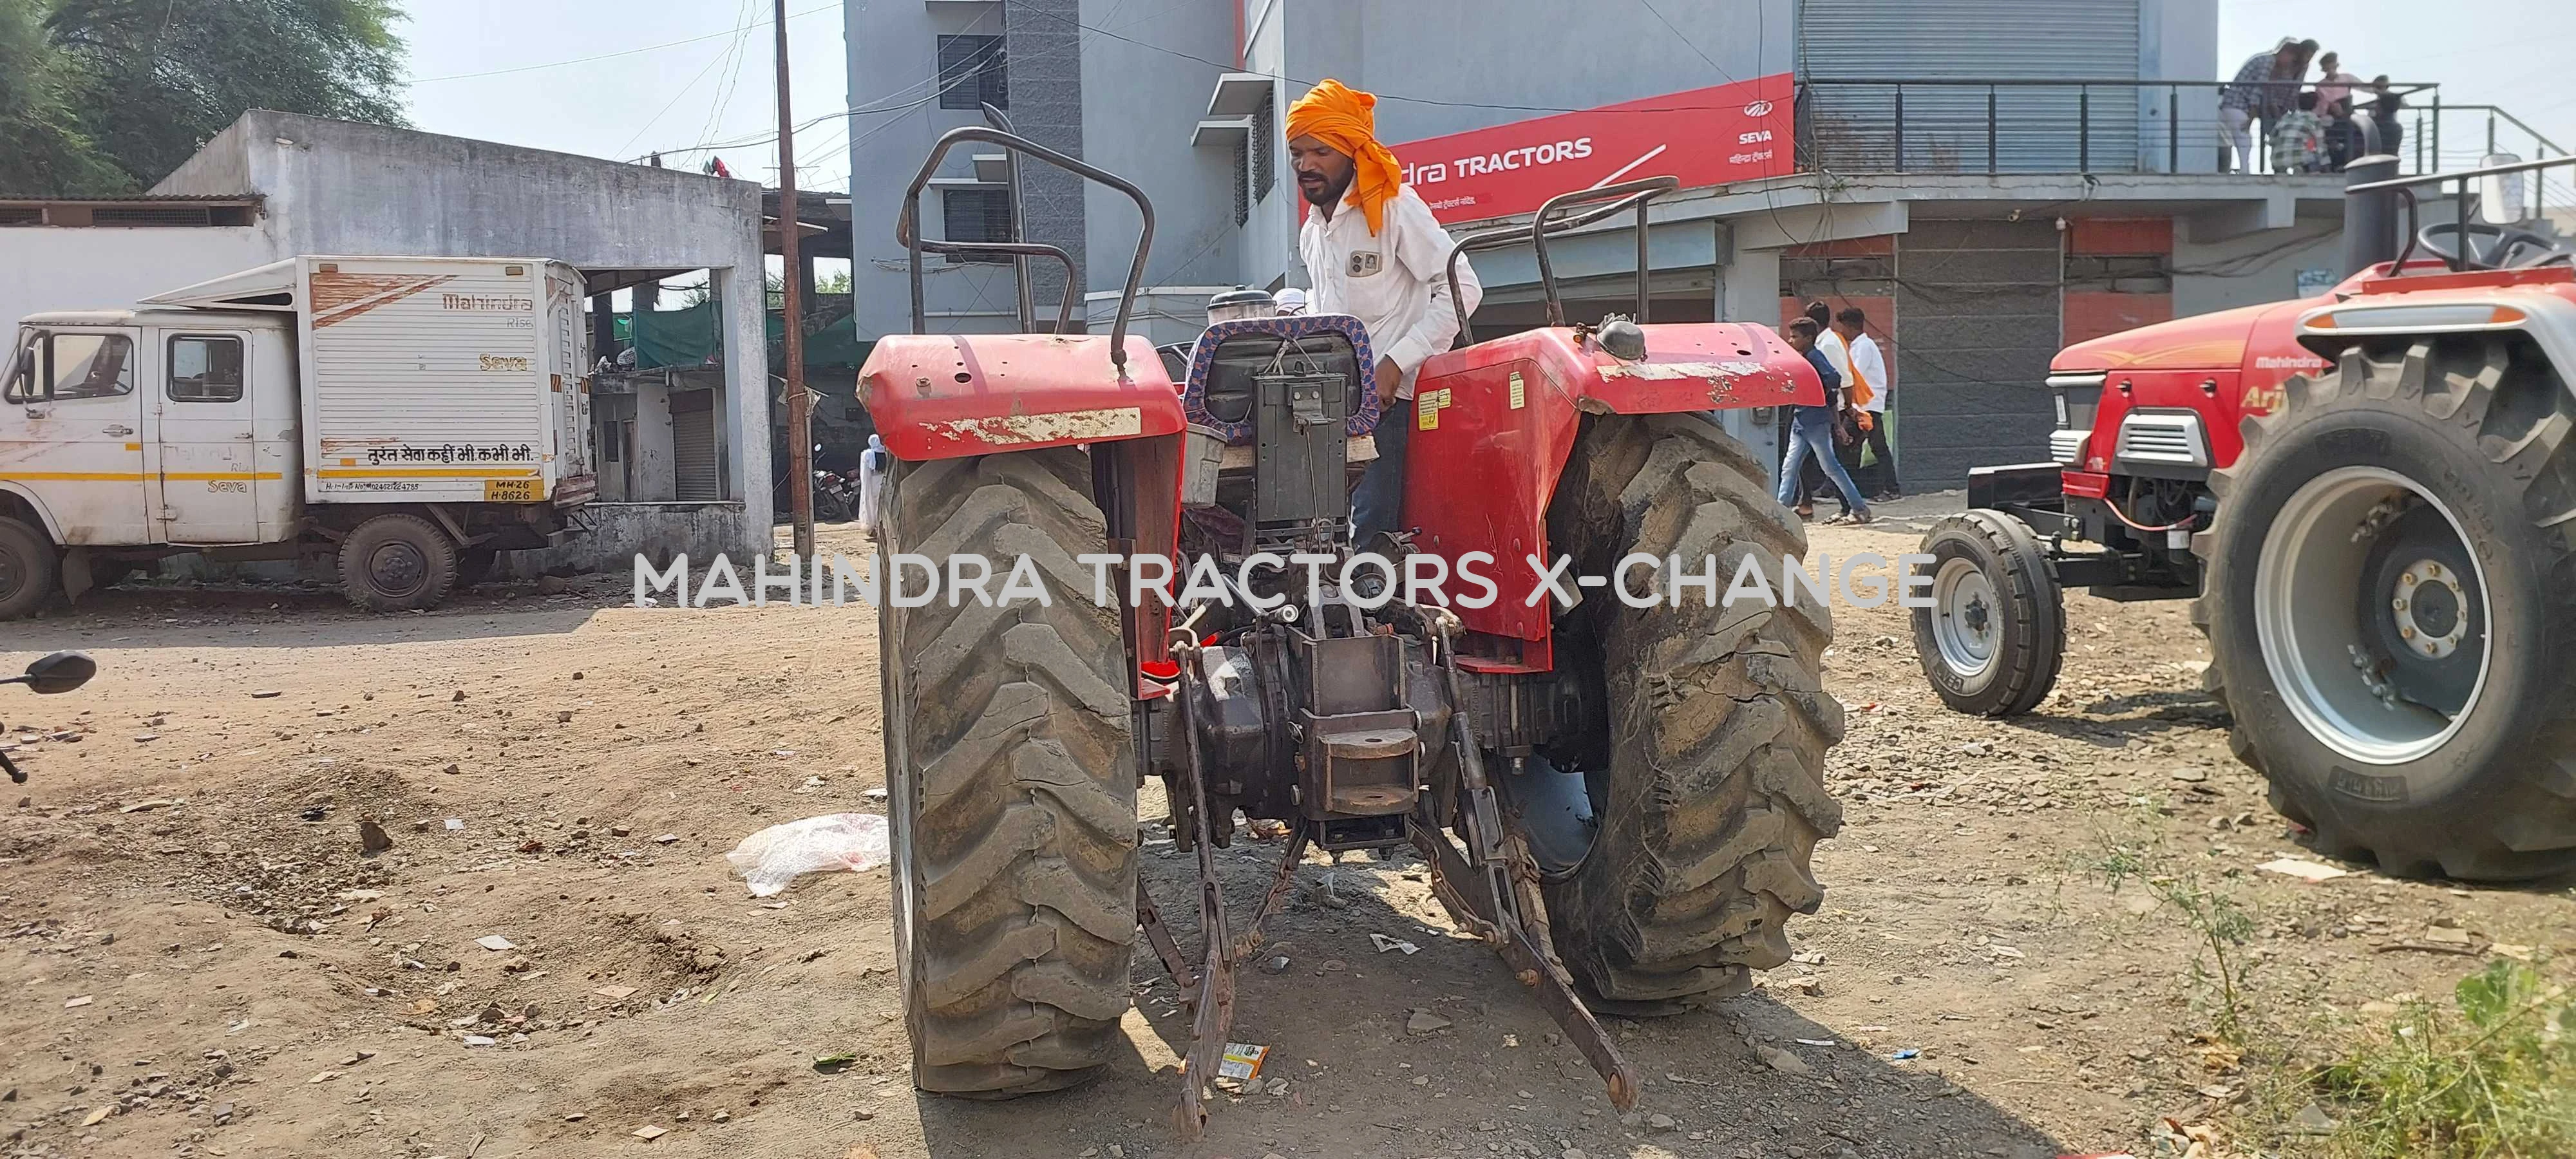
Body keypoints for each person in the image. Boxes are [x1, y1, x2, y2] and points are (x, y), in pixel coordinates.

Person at [1288, 78, 1482, 545]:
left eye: (1320, 152)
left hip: (1395, 406)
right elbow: (1326, 313)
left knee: (1372, 533)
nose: (1306, 165)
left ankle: (1379, 618)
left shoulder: (1394, 206)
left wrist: (1395, 364)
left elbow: (1463, 289)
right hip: (1335, 407)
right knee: (1319, 535)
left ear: (1352, 152)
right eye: (1298, 154)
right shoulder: (1312, 233)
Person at [1777, 317, 1871, 525]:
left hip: (1816, 424)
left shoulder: (1815, 356)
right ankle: (1780, 511)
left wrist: (1819, 393)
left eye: (1795, 337)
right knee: (1790, 467)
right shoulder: (1806, 357)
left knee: (1830, 468)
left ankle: (1859, 508)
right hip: (1801, 422)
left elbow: (1834, 379)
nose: (1791, 340)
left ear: (1809, 338)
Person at [1835, 306, 1899, 500]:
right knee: (1846, 446)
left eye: (1842, 327)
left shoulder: (1864, 347)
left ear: (1850, 326)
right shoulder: (1859, 346)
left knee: (1876, 446)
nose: (1841, 332)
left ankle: (1892, 489)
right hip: (1861, 406)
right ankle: (1839, 489)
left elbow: (1854, 375)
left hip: (1867, 406)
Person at [2220, 39, 2309, 173]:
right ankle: (2245, 173)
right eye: (2291, 59)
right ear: (2286, 53)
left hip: (2234, 103)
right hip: (2236, 104)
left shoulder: (2264, 59)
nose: (2289, 64)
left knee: (2240, 140)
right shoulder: (2268, 62)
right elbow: (2258, 88)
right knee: (2244, 140)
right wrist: (2251, 116)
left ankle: (2244, 171)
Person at [2274, 90, 2325, 174]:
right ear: (2315, 106)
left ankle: (2282, 169)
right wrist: (2327, 167)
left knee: (2308, 144)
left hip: (2278, 158)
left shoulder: (2286, 117)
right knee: (2314, 156)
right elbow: (2321, 147)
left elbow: (2272, 139)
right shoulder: (2314, 120)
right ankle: (2301, 168)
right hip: (2302, 158)